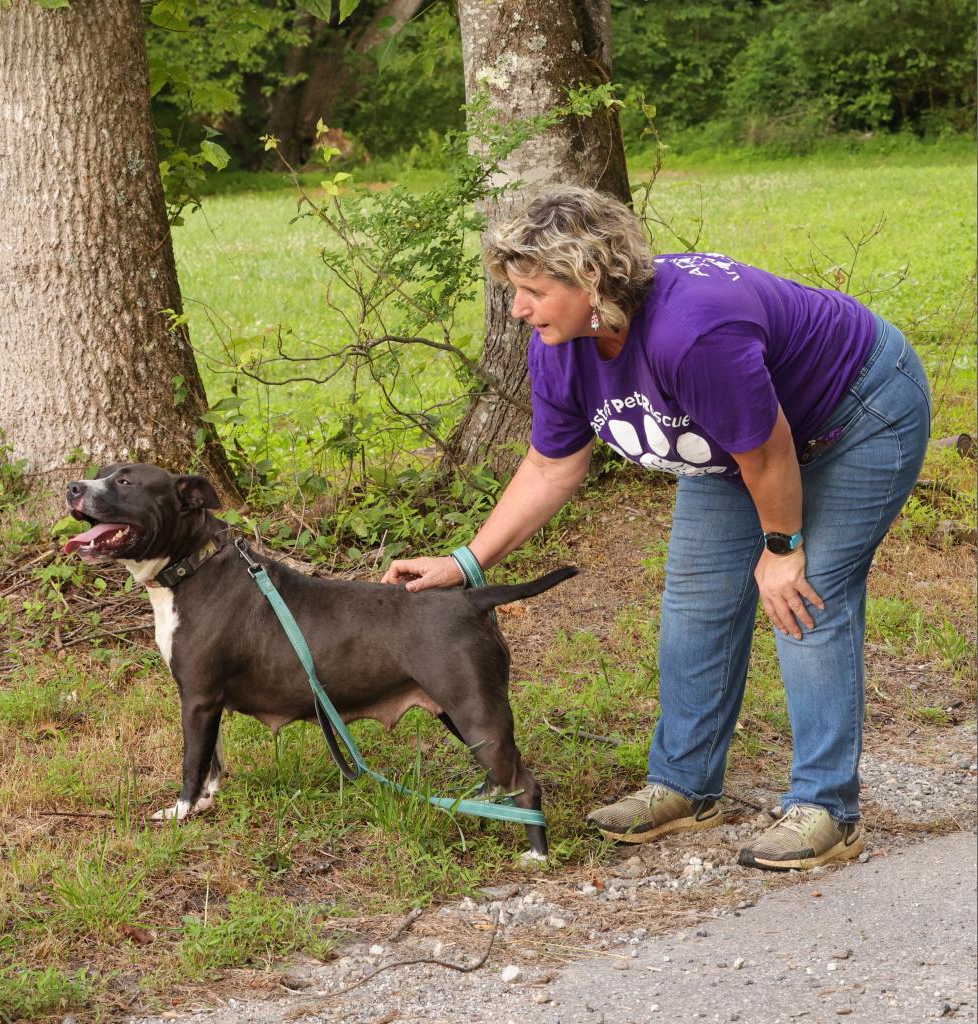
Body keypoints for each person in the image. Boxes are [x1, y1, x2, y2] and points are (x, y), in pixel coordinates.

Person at [381, 186, 930, 870]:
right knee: (695, 603)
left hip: (859, 415)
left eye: (530, 290)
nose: (518, 310)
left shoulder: (692, 331)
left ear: (590, 278)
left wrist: (782, 549)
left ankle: (827, 809)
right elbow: (552, 469)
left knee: (804, 601)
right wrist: (466, 562)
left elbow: (768, 453)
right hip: (743, 450)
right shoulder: (559, 345)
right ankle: (686, 787)